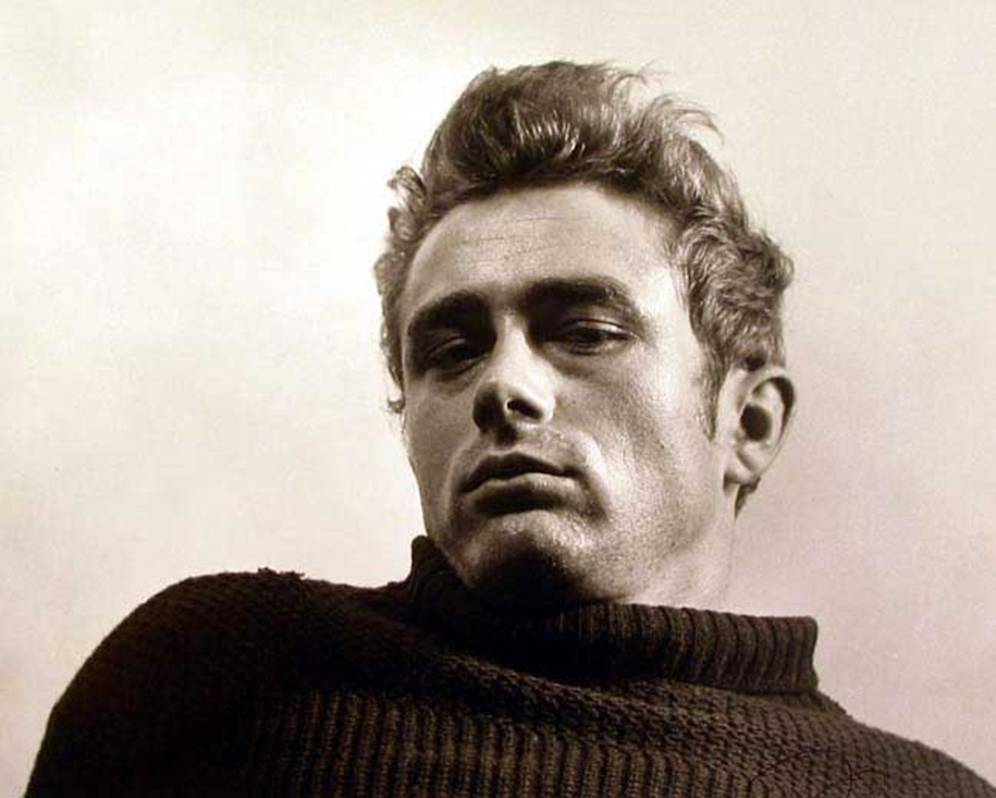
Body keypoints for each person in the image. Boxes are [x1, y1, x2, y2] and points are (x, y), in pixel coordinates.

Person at [26, 62, 993, 797]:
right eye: (451, 349)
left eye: (586, 332)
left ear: (748, 421)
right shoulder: (215, 679)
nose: (504, 386)